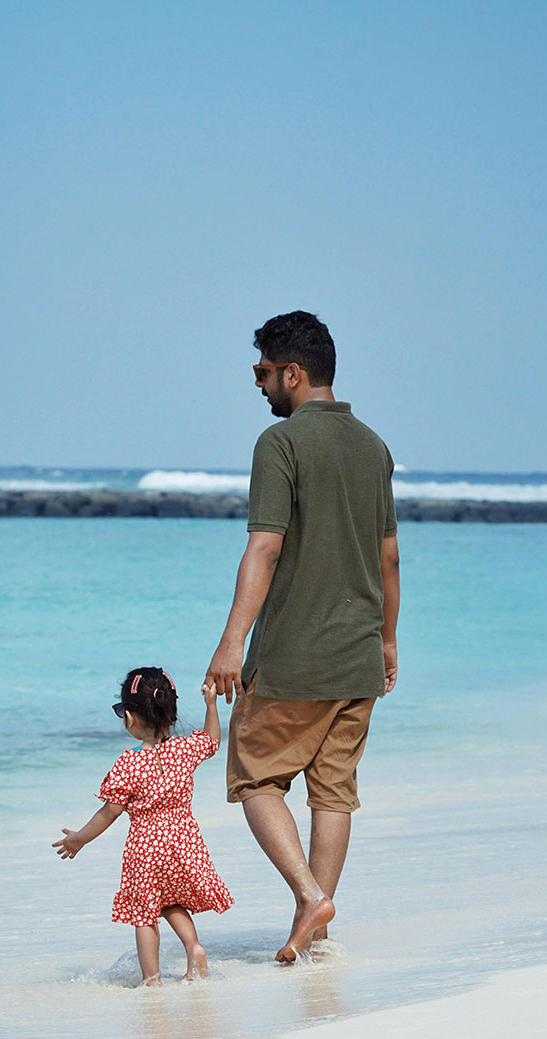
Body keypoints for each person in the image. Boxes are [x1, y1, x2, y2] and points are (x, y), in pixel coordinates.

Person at [205, 310, 400, 964]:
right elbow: (389, 556)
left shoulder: (280, 445)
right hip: (359, 658)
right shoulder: (373, 447)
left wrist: (233, 643)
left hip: (293, 660)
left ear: (293, 371)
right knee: (333, 790)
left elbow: (264, 547)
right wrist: (390, 640)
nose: (258, 385)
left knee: (254, 778)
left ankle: (308, 895)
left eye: (263, 372)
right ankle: (315, 924)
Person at [52, 668, 232, 986]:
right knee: (173, 900)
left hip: (147, 848)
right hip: (184, 840)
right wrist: (211, 706)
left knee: (145, 913)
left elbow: (109, 813)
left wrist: (80, 838)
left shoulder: (128, 764)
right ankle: (194, 948)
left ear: (132, 717)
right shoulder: (185, 750)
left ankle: (152, 980)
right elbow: (213, 742)